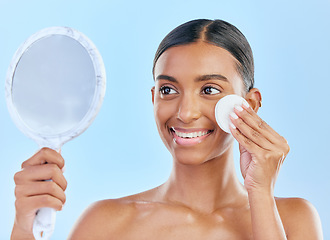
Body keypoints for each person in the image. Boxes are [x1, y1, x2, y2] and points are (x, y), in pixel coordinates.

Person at [11, 19, 323, 240]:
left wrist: (260, 194)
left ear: (251, 104)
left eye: (210, 89)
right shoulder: (105, 225)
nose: (185, 113)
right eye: (168, 90)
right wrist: (24, 229)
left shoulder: (293, 220)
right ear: (153, 98)